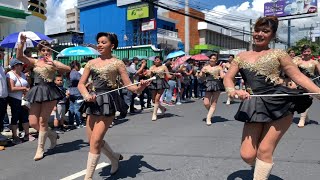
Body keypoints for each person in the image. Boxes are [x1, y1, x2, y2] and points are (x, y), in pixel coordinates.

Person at [223, 16, 320, 180]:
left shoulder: (279, 54)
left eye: (265, 31)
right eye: (257, 30)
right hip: (253, 104)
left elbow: (298, 77)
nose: (260, 34)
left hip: (279, 104)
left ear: (272, 36)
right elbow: (228, 78)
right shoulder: (240, 56)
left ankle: (260, 174)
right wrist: (232, 91)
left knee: (264, 150)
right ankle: (259, 167)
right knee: (247, 155)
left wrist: (318, 93)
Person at [77, 32, 150, 179]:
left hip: (108, 101)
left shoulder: (118, 63)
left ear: (112, 45)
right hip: (93, 101)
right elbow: (81, 84)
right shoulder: (91, 63)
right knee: (92, 141)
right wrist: (86, 95)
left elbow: (130, 86)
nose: (100, 44)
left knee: (96, 141)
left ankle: (88, 177)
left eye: (103, 42)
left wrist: (140, 87)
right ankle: (114, 158)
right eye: (98, 42)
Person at [16, 34, 71, 161]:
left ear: (51, 51)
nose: (46, 52)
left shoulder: (54, 61)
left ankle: (40, 148)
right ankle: (51, 134)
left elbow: (68, 68)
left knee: (43, 121)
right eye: (43, 50)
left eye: (48, 50)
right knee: (33, 122)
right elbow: (19, 56)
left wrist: (55, 64)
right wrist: (21, 43)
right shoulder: (35, 61)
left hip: (50, 91)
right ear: (39, 51)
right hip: (37, 90)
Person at [6, 59, 35, 143]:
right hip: (14, 99)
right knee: (15, 117)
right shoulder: (10, 74)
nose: (21, 66)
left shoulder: (22, 74)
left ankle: (27, 134)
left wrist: (28, 79)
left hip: (23, 99)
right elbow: (11, 88)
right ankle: (15, 136)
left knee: (25, 116)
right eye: (19, 65)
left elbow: (27, 84)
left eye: (21, 65)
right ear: (14, 66)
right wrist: (23, 88)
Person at [291, 45, 320, 127]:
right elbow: (293, 73)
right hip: (300, 83)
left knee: (308, 98)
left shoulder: (315, 62)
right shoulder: (298, 62)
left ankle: (302, 119)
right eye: (305, 51)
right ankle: (305, 117)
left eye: (308, 51)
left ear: (311, 52)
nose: (307, 53)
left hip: (311, 83)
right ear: (302, 52)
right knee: (301, 100)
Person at [199, 54, 225, 126]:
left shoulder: (219, 67)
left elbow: (222, 76)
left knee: (214, 102)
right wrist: (203, 72)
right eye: (211, 58)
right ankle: (211, 111)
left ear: (216, 60)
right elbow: (200, 76)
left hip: (216, 84)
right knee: (206, 103)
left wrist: (221, 75)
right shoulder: (205, 67)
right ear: (209, 59)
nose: (212, 60)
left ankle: (208, 118)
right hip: (208, 84)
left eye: (214, 58)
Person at [147, 56, 173, 121]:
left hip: (161, 82)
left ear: (160, 61)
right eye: (155, 60)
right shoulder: (152, 67)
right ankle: (163, 108)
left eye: (157, 60)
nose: (156, 61)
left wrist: (175, 75)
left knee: (157, 98)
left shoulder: (164, 67)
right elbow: (148, 75)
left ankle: (154, 114)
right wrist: (149, 72)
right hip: (153, 83)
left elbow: (168, 76)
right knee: (153, 100)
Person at [68, 61, 84, 129]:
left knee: (71, 107)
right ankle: (79, 122)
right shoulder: (76, 73)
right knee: (77, 108)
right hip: (77, 92)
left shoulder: (69, 73)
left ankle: (71, 122)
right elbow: (81, 81)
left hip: (70, 92)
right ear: (76, 66)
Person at [0, 47, 8, 150]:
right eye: (1, 52)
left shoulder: (1, 67)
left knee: (1, 118)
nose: (2, 54)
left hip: (3, 97)